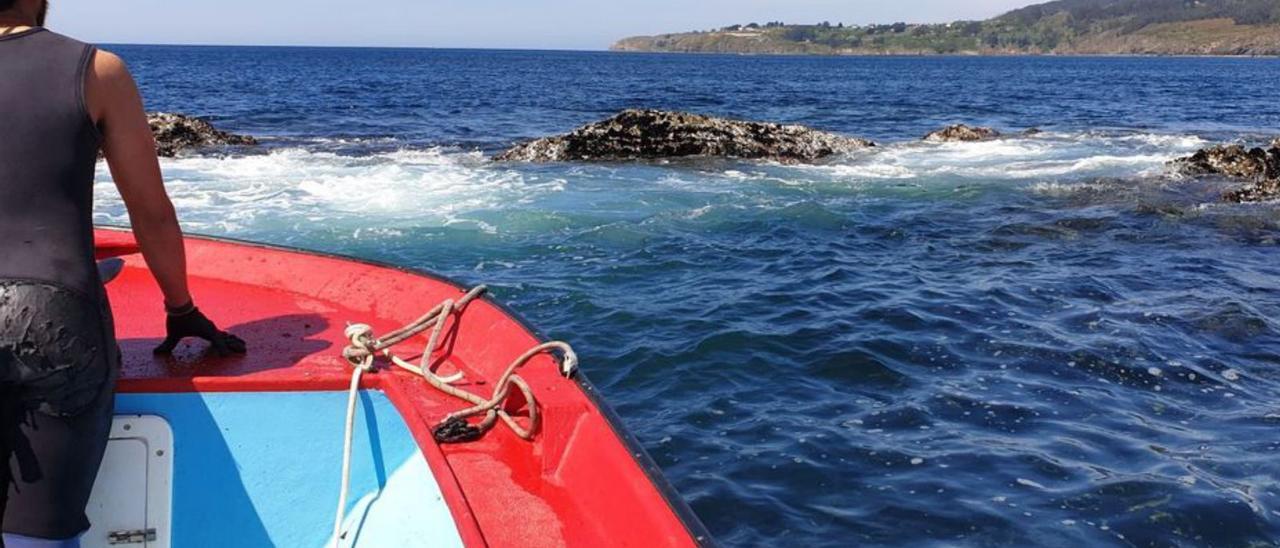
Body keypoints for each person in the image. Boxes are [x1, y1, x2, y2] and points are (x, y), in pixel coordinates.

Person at [0, 1, 247, 546]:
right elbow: (150, 210)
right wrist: (181, 308)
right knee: (35, 538)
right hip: (51, 313)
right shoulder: (96, 70)